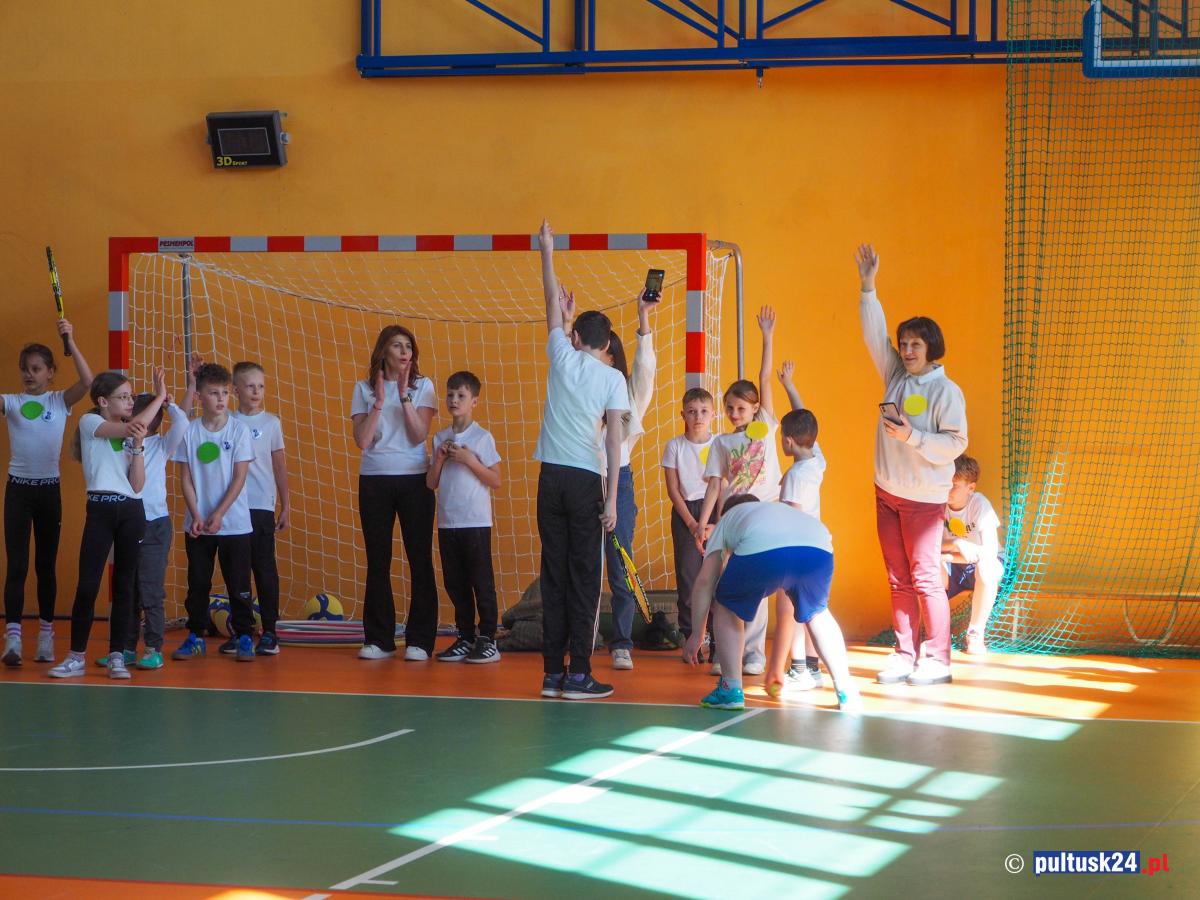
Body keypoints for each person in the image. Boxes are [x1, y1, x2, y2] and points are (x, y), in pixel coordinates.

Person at [856, 244, 968, 686]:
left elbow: (956, 443)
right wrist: (868, 286)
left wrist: (912, 437)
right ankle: (904, 654)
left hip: (923, 499)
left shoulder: (946, 391)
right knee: (897, 577)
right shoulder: (896, 377)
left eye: (914, 345)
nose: (905, 350)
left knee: (925, 578)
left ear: (931, 348)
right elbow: (873, 335)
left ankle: (937, 659)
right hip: (887, 492)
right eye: (902, 344)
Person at [534, 218, 628, 701]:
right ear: (607, 345)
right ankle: (579, 675)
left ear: (575, 339)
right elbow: (614, 443)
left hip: (549, 479)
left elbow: (550, 300)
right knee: (585, 577)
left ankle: (553, 673)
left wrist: (547, 250)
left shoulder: (561, 355)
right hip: (586, 479)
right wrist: (611, 501)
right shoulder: (613, 378)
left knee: (553, 574)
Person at [683, 495, 861, 712]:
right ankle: (845, 689)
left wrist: (697, 634)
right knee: (818, 613)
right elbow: (787, 611)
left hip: (764, 550)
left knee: (727, 606)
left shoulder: (727, 521)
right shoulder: (776, 514)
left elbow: (704, 582)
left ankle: (730, 690)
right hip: (818, 546)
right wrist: (776, 665)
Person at [48, 369, 166, 679]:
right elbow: (133, 425)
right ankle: (76, 656)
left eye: (131, 396)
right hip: (100, 510)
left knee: (125, 585)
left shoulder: (130, 436)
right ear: (103, 401)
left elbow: (137, 486)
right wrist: (161, 397)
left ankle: (117, 656)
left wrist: (138, 447)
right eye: (123, 397)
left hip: (131, 512)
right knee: (88, 584)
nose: (130, 402)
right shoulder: (91, 423)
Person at [693, 306, 782, 676]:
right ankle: (727, 652)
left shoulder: (765, 427)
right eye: (729, 408)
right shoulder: (722, 442)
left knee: (756, 580)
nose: (734, 413)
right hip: (733, 516)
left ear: (755, 408)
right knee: (727, 581)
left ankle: (754, 653)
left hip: (764, 513)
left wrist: (767, 337)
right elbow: (716, 484)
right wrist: (704, 523)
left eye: (741, 408)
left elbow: (764, 378)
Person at [2, 320, 93, 667]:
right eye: (25, 369)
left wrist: (71, 340)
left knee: (45, 566)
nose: (29, 374)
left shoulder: (59, 401)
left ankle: (45, 635)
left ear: (50, 372)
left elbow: (88, 382)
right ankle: (12, 638)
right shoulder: (11, 402)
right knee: (17, 566)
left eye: (36, 369)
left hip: (48, 492)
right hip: (18, 492)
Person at [98, 357, 197, 671]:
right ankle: (126, 648)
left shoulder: (162, 445)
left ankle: (153, 647)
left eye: (138, 411)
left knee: (151, 590)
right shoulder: (122, 444)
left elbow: (183, 423)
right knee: (128, 589)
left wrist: (167, 402)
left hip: (155, 526)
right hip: (127, 524)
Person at [350, 325, 439, 661]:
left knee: (419, 559)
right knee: (378, 560)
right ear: (383, 351)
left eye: (408, 346)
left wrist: (403, 396)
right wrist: (378, 403)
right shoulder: (363, 388)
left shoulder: (423, 386)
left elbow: (418, 435)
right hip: (374, 481)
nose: (404, 352)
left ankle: (420, 640)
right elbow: (362, 440)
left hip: (415, 480)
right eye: (397, 345)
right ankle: (379, 639)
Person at [170, 363, 256, 662]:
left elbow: (239, 477)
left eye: (224, 393)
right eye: (213, 393)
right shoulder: (189, 431)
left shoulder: (239, 430)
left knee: (239, 584)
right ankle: (195, 636)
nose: (221, 399)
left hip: (234, 524)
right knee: (198, 584)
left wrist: (219, 514)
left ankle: (244, 636)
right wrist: (196, 514)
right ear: (199, 397)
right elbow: (185, 479)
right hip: (198, 525)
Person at [427, 371, 503, 664]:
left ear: (474, 401)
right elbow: (431, 483)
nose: (454, 400)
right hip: (448, 522)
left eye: (461, 395)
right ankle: (466, 635)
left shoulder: (482, 438)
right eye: (450, 394)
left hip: (476, 522)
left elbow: (495, 480)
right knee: (455, 582)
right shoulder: (440, 438)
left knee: (481, 581)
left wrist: (470, 461)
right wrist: (439, 460)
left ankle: (488, 638)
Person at [599, 290, 656, 671]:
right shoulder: (583, 396)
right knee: (582, 565)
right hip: (583, 480)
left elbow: (645, 367)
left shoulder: (630, 395)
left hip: (617, 482)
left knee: (620, 566)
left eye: (601, 356)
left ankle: (621, 643)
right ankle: (583, 635)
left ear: (612, 357)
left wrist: (643, 317)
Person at [774, 360, 827, 692]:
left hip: (796, 551)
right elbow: (803, 419)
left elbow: (789, 517)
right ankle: (813, 667)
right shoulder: (816, 461)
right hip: (818, 548)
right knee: (812, 610)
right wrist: (789, 386)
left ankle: (797, 670)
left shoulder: (795, 475)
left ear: (789, 442)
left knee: (791, 610)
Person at [231, 360, 290, 655]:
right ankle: (243, 632)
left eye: (261, 386)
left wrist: (286, 504)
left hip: (261, 507)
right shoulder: (227, 422)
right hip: (232, 508)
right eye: (250, 386)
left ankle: (270, 631)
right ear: (235, 390)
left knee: (264, 568)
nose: (256, 392)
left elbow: (279, 466)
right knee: (237, 571)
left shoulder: (271, 423)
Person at [661, 387, 717, 663]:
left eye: (704, 411)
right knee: (688, 577)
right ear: (683, 414)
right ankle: (692, 635)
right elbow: (673, 490)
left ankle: (717, 638)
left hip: (713, 509)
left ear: (713, 414)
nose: (698, 417)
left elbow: (721, 485)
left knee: (716, 575)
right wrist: (693, 523)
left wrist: (712, 522)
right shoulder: (674, 446)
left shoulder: (719, 444)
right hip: (686, 513)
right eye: (692, 412)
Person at [942, 454, 1004, 655]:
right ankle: (937, 636)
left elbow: (989, 552)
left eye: (954, 485)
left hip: (984, 564)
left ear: (971, 488)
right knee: (928, 568)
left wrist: (950, 554)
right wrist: (956, 544)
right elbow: (929, 547)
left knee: (987, 568)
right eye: (945, 482)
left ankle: (975, 633)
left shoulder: (980, 505)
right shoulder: (937, 504)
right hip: (955, 564)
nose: (947, 488)